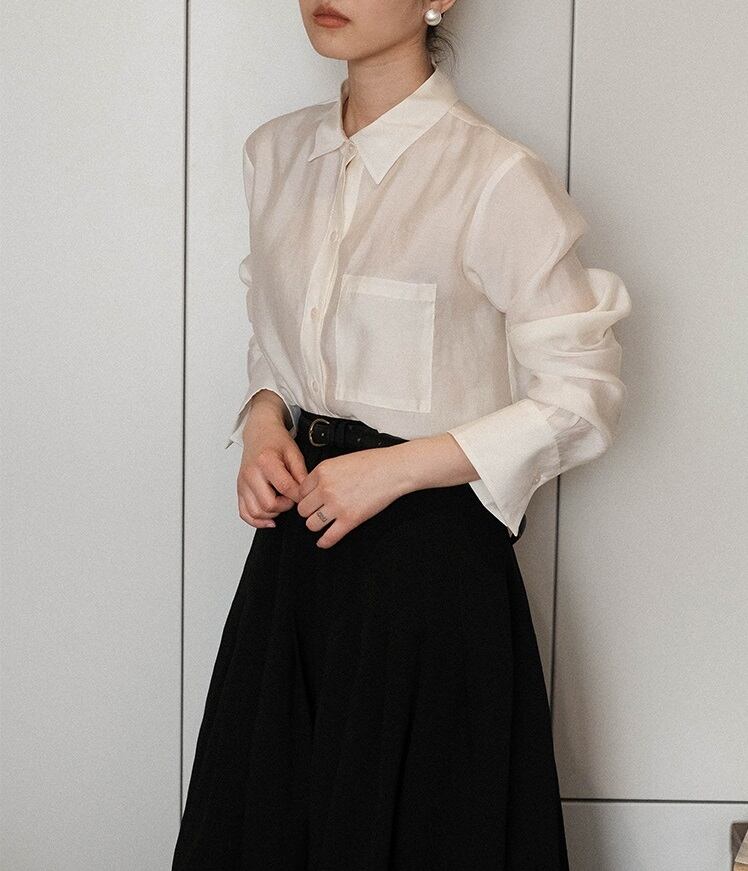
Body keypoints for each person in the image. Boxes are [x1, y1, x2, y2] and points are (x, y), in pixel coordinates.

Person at [171, 1, 631, 868]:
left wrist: (394, 470)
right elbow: (281, 338)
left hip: (429, 572)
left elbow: (583, 392)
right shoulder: (276, 154)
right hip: (296, 557)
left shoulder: (492, 175)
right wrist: (263, 420)